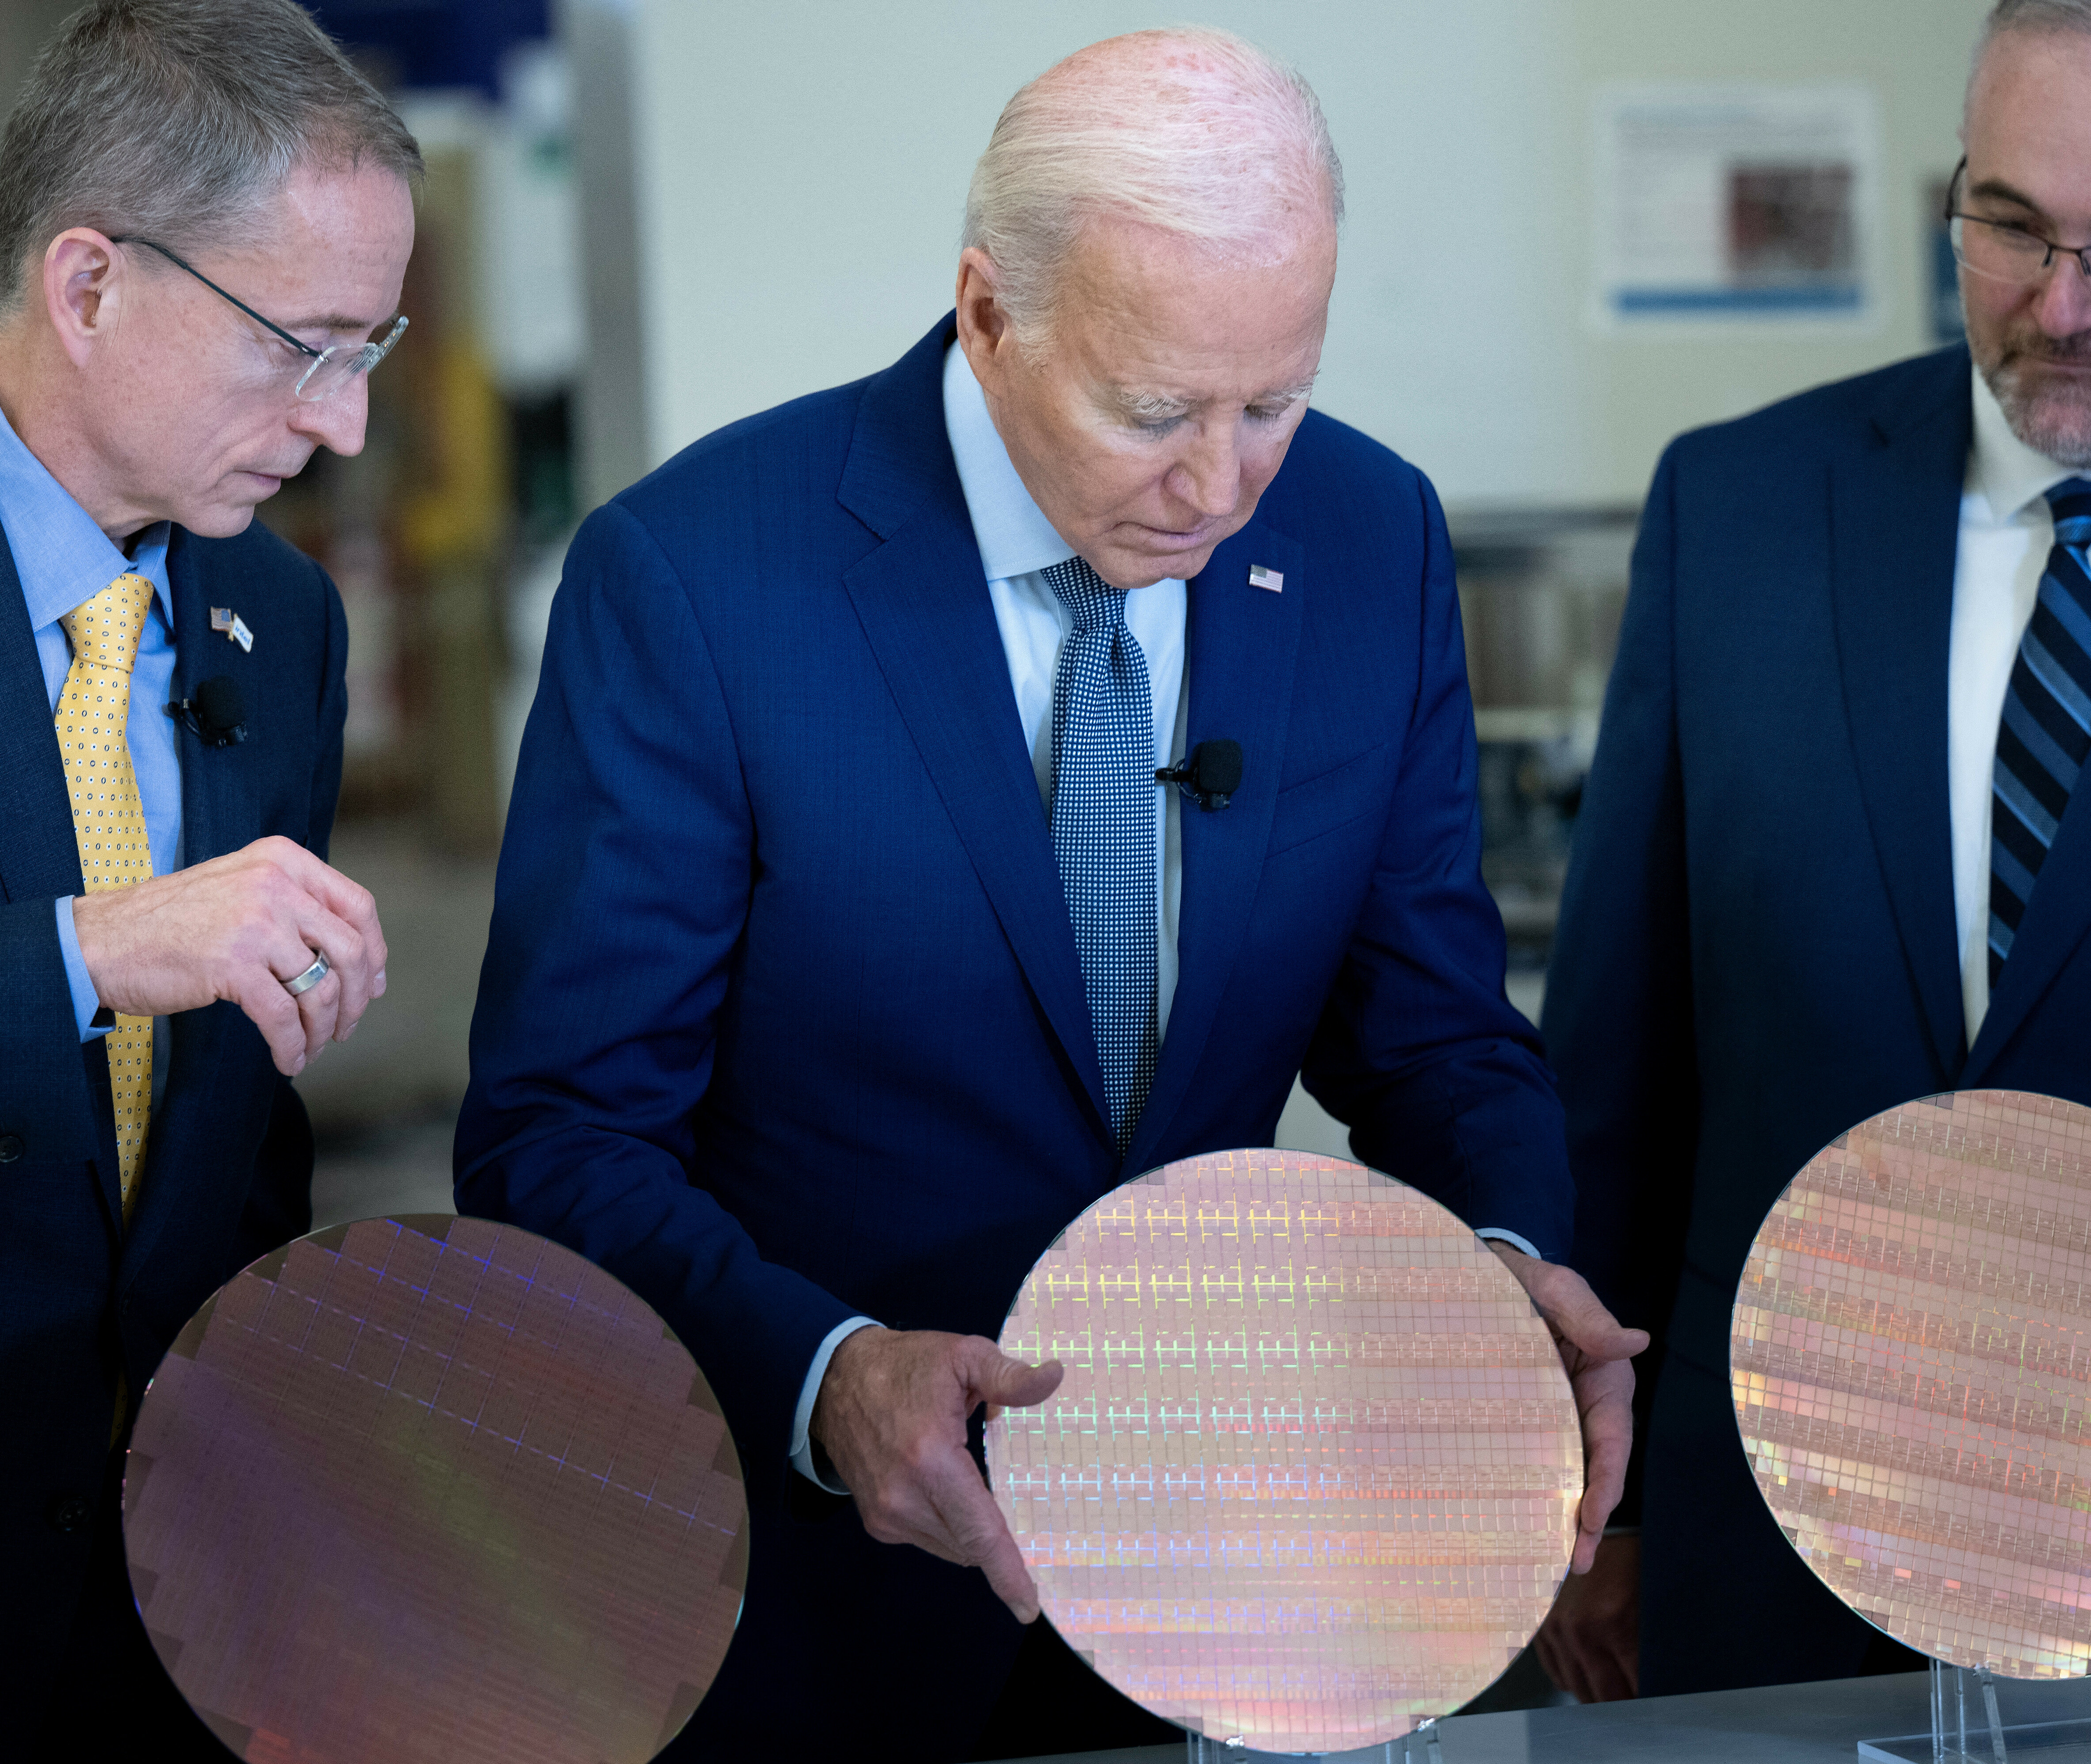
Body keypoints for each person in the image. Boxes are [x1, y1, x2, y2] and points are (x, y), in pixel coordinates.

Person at [460, 26, 1642, 1761]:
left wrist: (1502, 1264)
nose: (1227, 482)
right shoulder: (700, 578)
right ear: (988, 310)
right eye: (1155, 410)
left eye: (1278, 397)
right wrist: (828, 1373)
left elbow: (1439, 1033)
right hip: (797, 1604)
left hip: (1225, 1579)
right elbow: (556, 1138)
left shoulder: (1372, 535)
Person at [1538, 0, 2091, 1705]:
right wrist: (1596, 1507)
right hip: (1774, 1539)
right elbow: (1620, 1060)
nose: (2061, 305)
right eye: (2008, 223)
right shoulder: (1746, 507)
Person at [0, 0, 413, 1750]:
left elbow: (249, 1119)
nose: (345, 429)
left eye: (373, 349)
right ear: (87, 286)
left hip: (168, 1586)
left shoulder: (283, 620)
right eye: (302, 347)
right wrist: (82, 954)